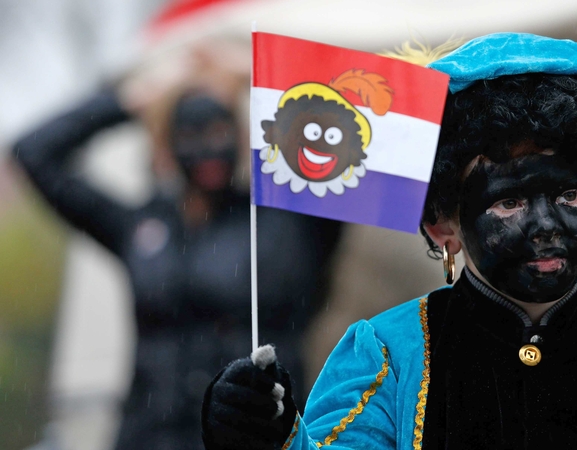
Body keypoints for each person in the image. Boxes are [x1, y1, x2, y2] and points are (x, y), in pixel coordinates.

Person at [200, 33, 577, 449]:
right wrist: (263, 434)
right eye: (510, 202)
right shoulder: (384, 358)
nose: (547, 224)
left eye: (571, 196)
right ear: (443, 224)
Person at [14, 82, 341, 448]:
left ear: (241, 134)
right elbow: (33, 153)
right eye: (189, 134)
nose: (207, 148)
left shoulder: (287, 223)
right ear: (165, 144)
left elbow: (348, 143)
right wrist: (124, 102)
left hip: (254, 434)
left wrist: (261, 81)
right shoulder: (142, 226)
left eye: (220, 131)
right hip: (150, 434)